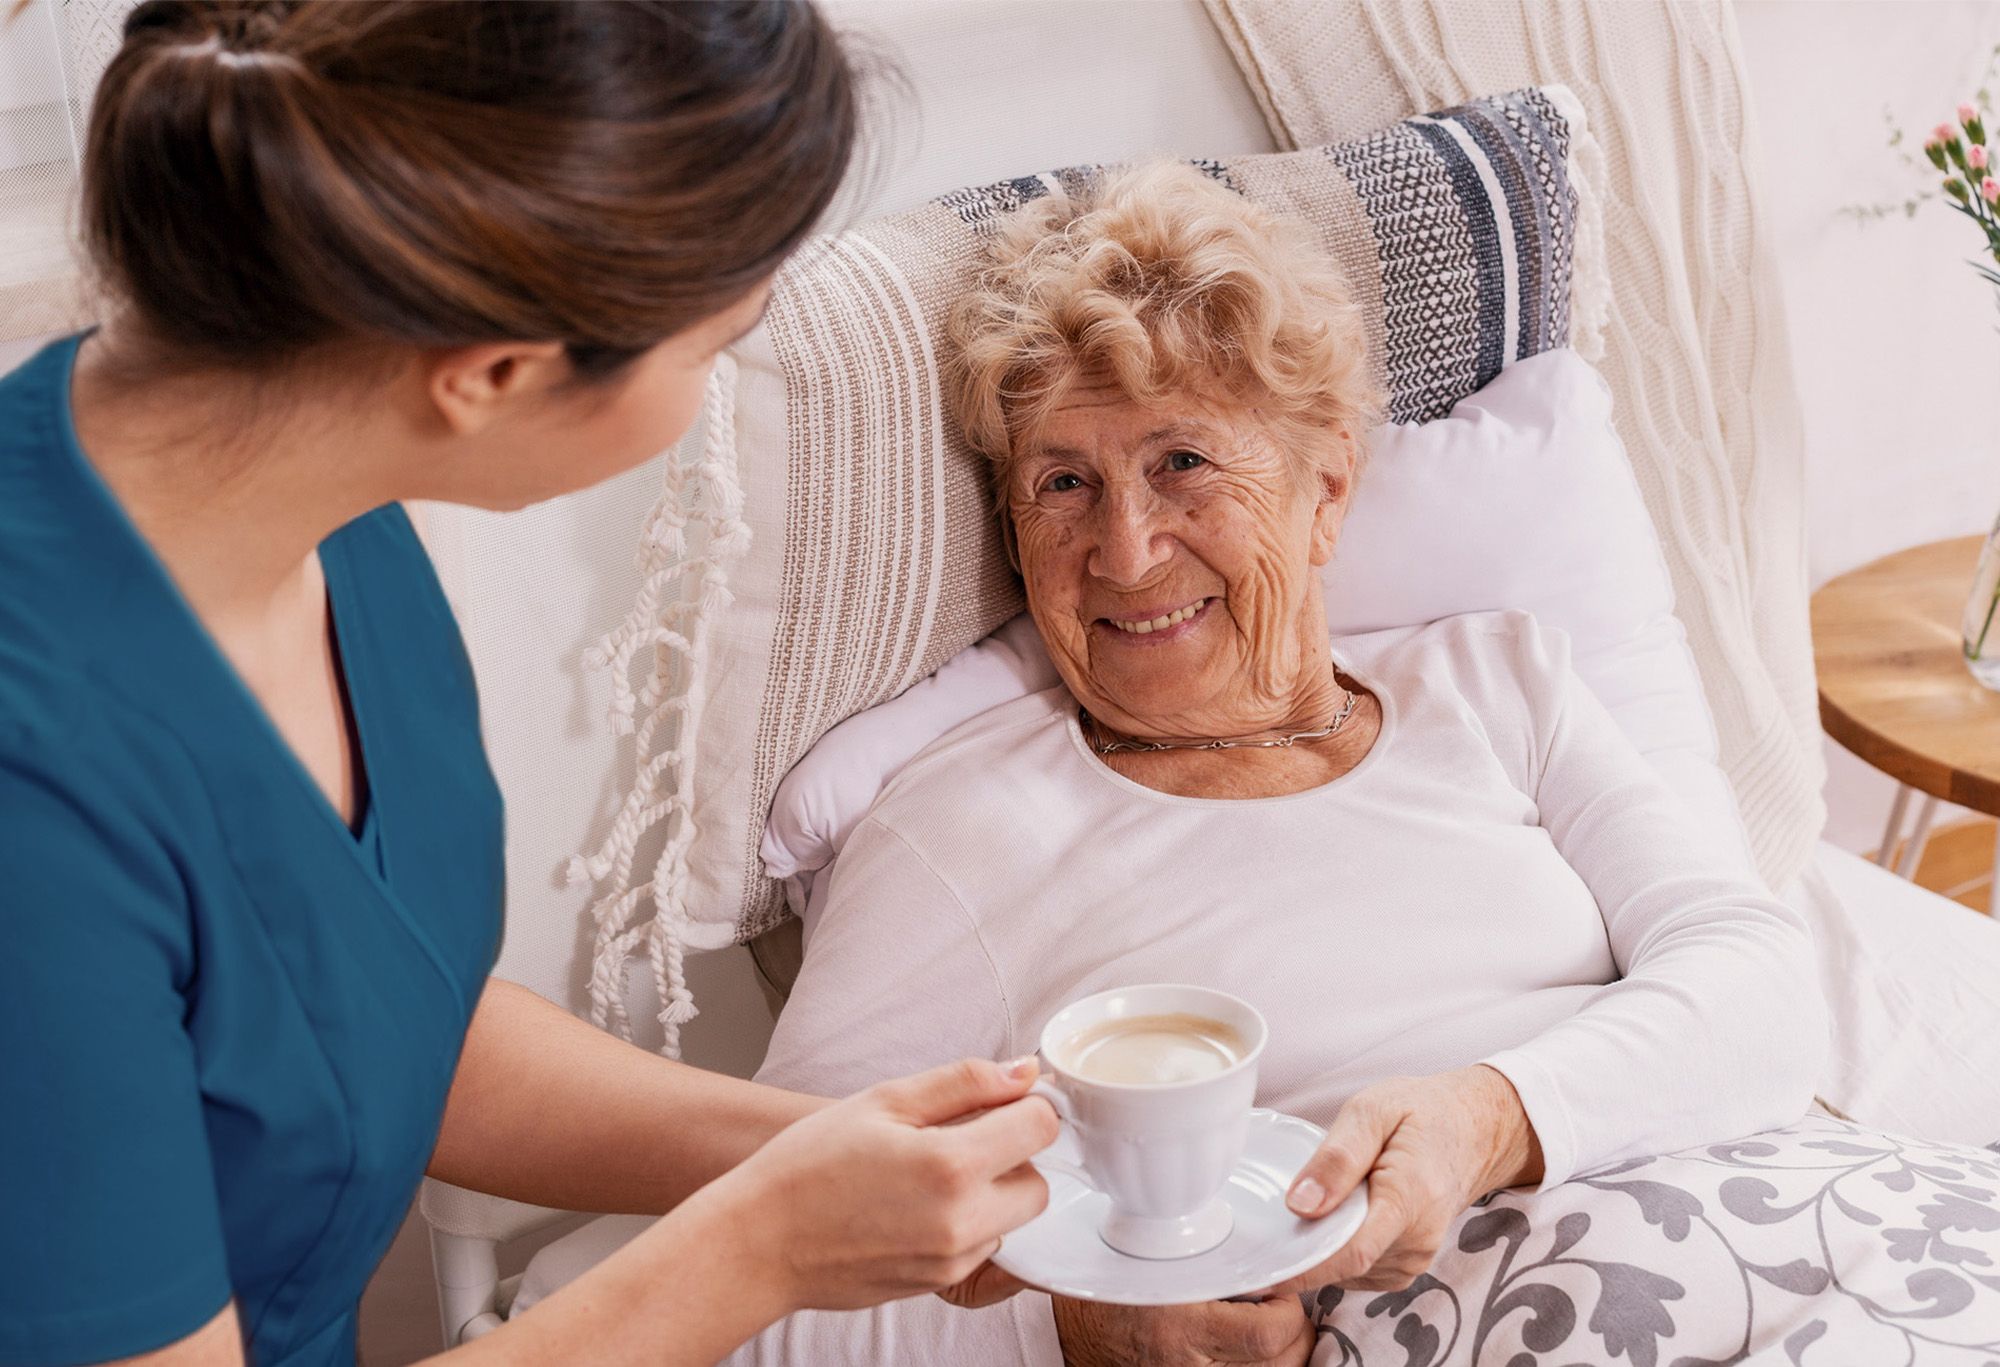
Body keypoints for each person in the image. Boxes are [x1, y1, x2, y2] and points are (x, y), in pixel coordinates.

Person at [0, 4, 1059, 1365]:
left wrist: (814, 1149)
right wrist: (762, 1243)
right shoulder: (37, 807)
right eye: (712, 347)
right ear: (492, 374)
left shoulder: (321, 504)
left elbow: (368, 1024)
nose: (712, 383)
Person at [650, 160, 1836, 1365]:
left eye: (1183, 463)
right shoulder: (963, 822)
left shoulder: (1498, 681)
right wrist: (1067, 1321)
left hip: (1817, 1252)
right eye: (1062, 482)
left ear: (1325, 487)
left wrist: (1486, 1116)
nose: (1123, 549)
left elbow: (1761, 984)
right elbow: (762, 1260)